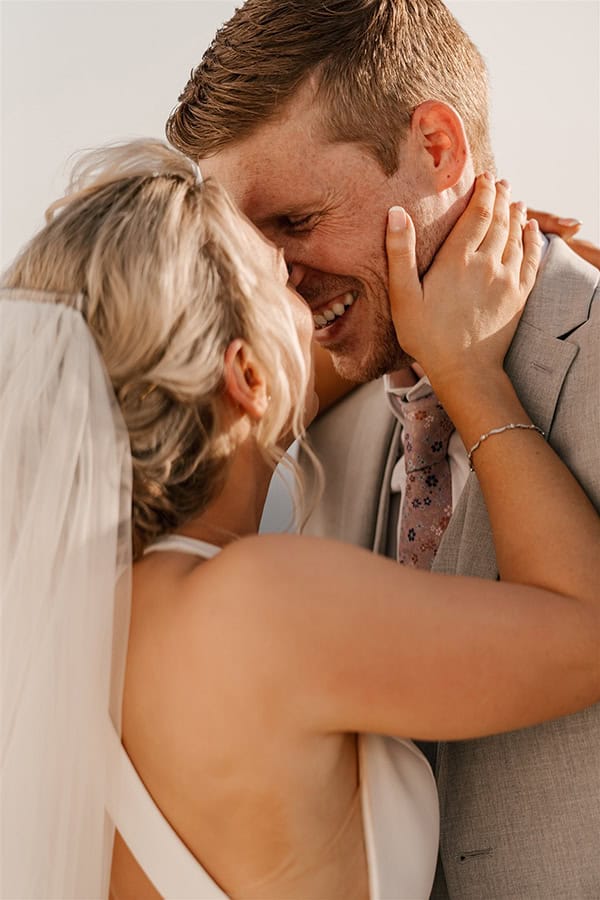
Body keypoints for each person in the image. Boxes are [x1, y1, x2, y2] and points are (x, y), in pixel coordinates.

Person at [2, 139, 599, 900]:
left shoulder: (70, 632)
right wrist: (468, 367)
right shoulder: (256, 603)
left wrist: (422, 280)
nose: (304, 295)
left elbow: (265, 383)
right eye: (278, 283)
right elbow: (586, 631)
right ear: (247, 375)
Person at [165, 1, 600, 896]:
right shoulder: (317, 411)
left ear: (436, 149)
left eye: (293, 222)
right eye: (244, 246)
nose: (270, 287)